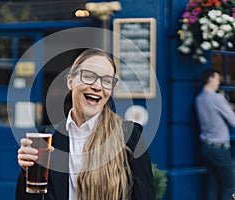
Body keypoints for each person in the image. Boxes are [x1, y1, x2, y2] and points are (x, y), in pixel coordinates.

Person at [15, 48, 155, 200]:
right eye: (88, 76)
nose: (97, 86)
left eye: (107, 80)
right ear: (70, 81)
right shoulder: (46, 138)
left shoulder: (129, 135)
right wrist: (26, 172)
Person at [195, 68, 235, 200]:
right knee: (230, 186)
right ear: (211, 79)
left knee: (211, 186)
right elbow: (233, 120)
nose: (219, 82)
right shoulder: (217, 98)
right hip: (220, 149)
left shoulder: (199, 99)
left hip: (206, 148)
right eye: (218, 79)